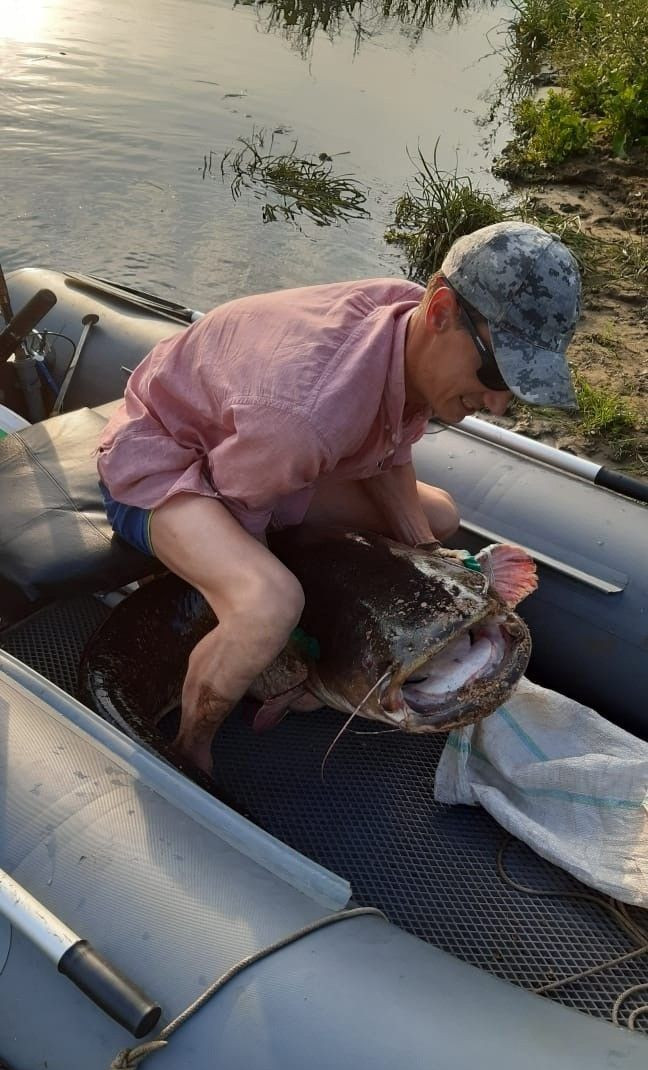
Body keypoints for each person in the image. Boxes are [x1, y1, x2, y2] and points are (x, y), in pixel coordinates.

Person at [97, 220, 581, 772]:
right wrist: (287, 646)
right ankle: (189, 753)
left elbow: (389, 446)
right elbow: (243, 521)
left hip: (247, 453)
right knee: (267, 606)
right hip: (161, 466)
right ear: (442, 308)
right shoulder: (305, 420)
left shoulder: (408, 327)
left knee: (439, 516)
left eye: (514, 388)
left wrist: (433, 564)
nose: (497, 403)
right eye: (495, 371)